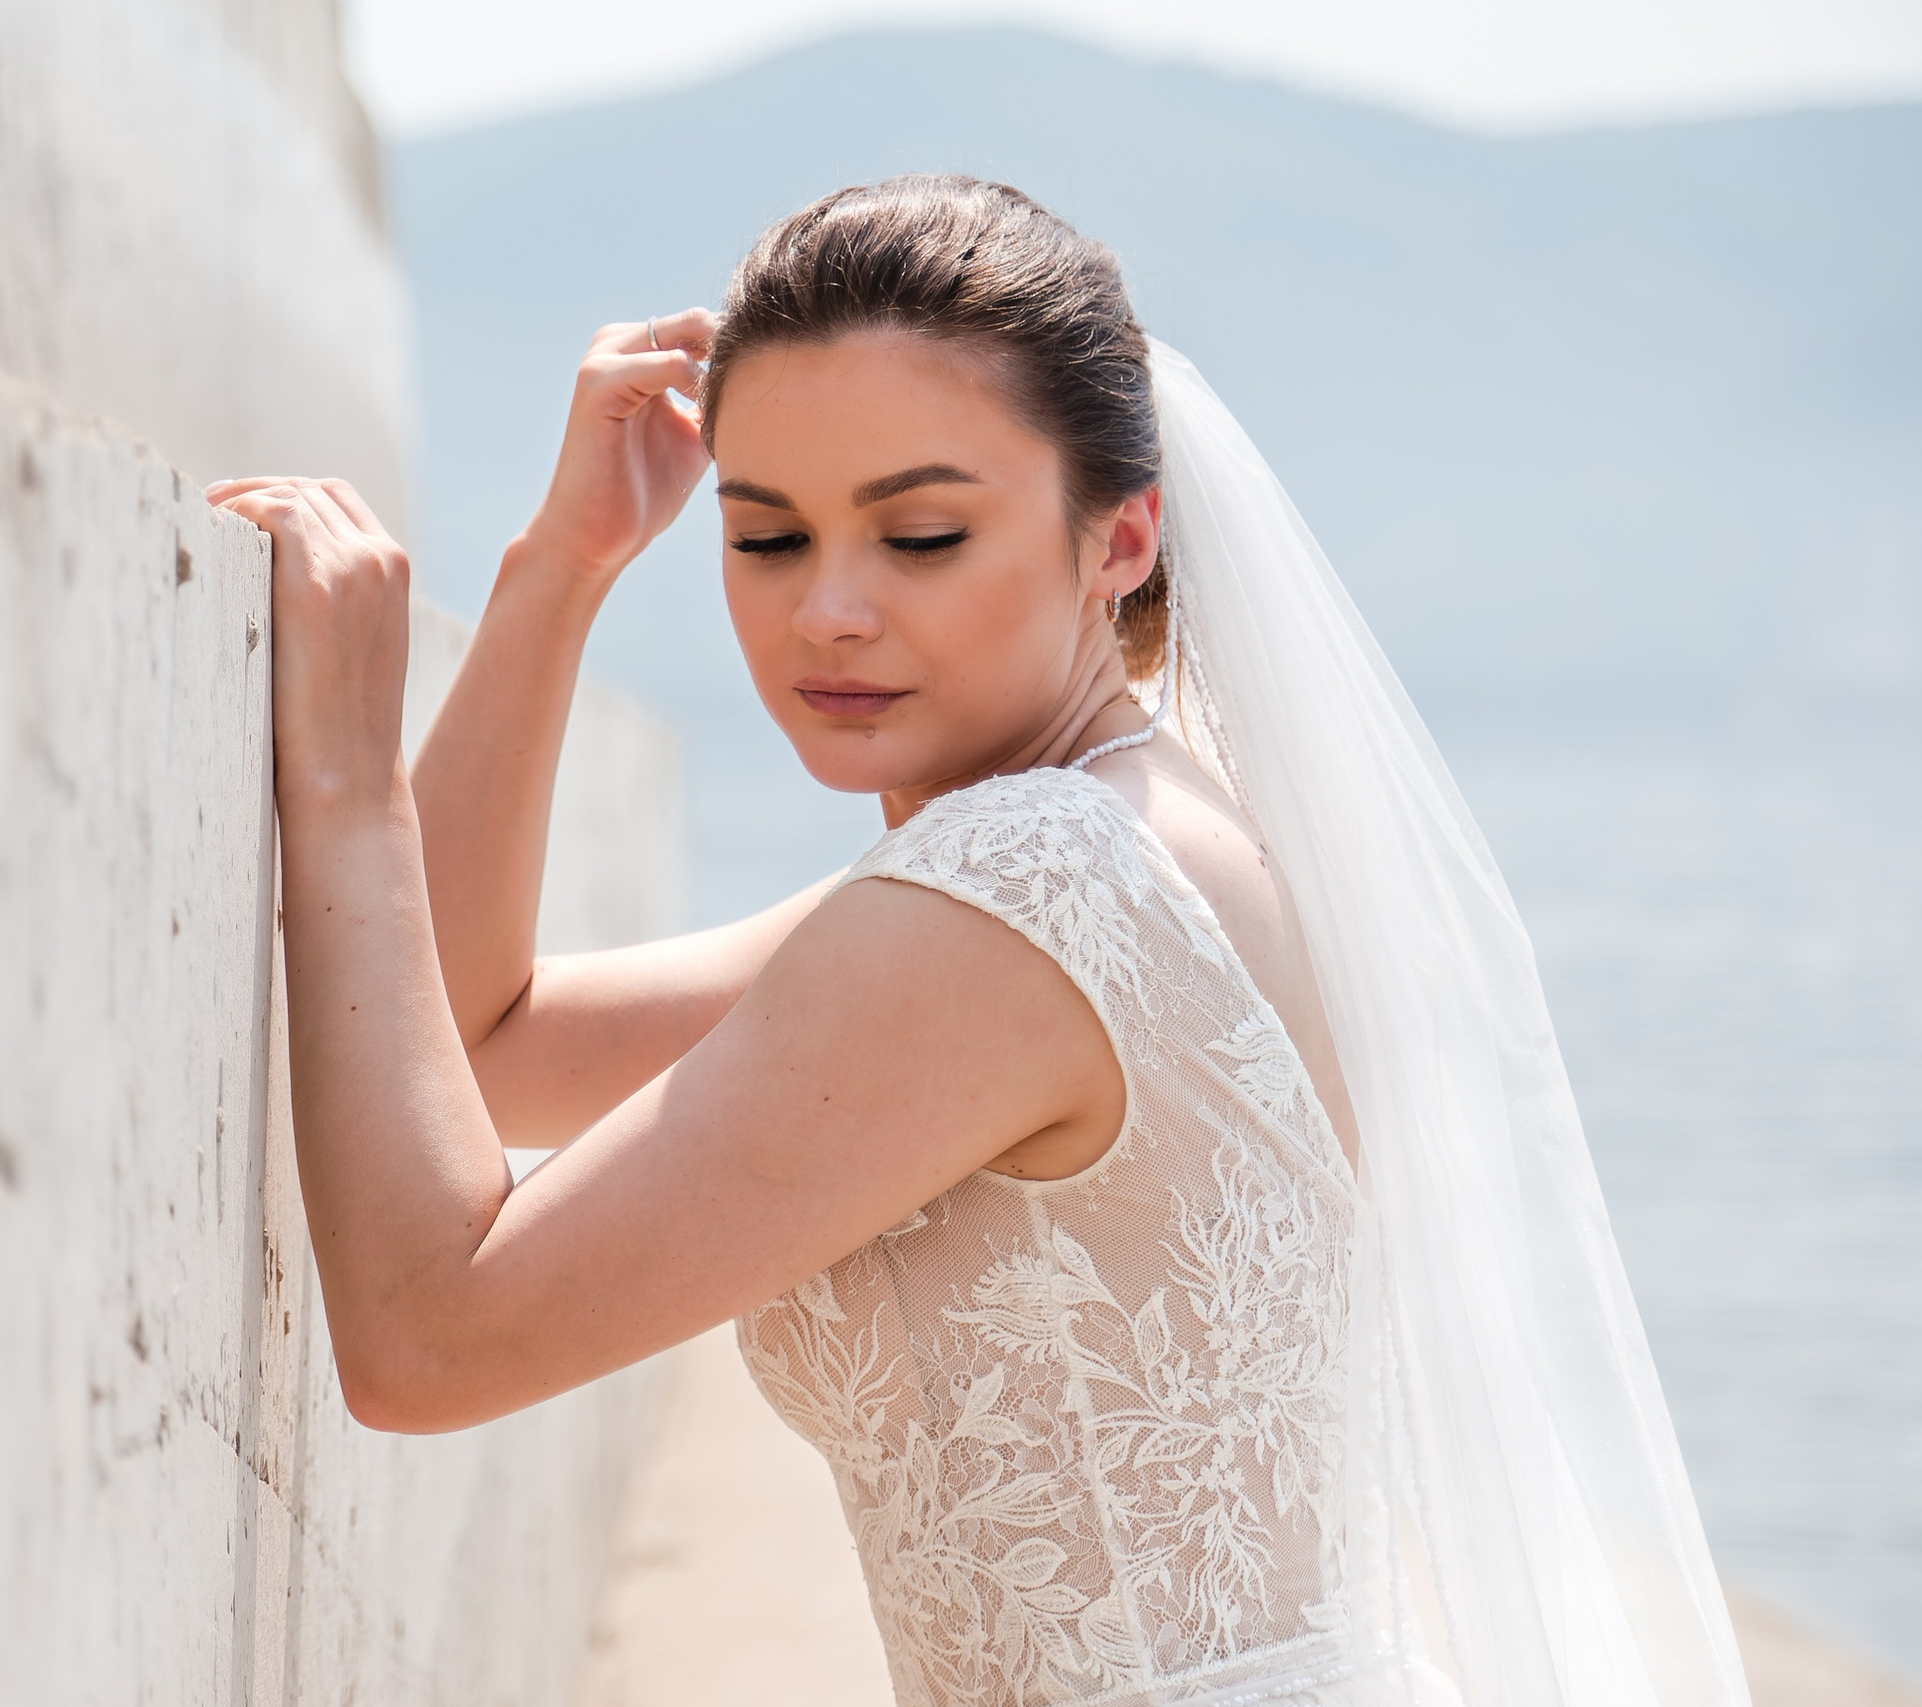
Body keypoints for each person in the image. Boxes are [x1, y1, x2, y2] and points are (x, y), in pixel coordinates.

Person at [206, 176, 1748, 1706]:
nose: (830, 612)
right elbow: (476, 1053)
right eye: (766, 538)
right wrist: (561, 570)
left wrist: (344, 785)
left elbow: (429, 1340)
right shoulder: (1117, 838)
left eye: (923, 535)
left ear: (1122, 540)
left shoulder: (1027, 895)